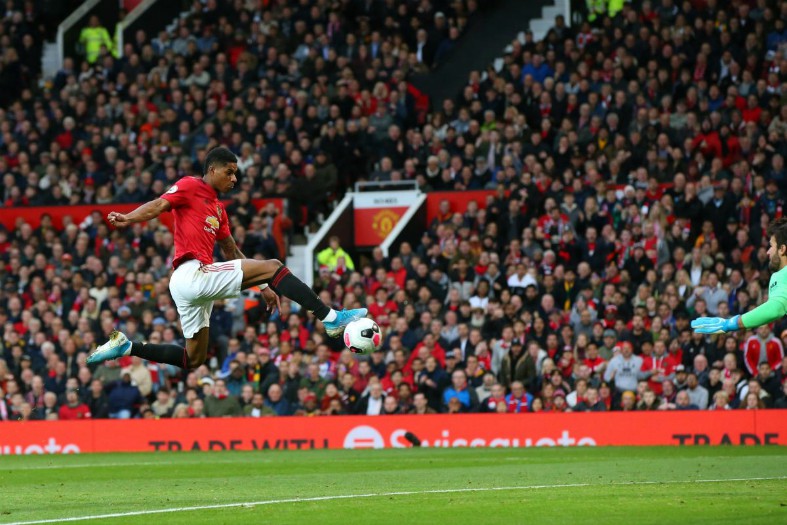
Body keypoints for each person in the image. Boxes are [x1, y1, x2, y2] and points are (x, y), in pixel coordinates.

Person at [86, 147, 366, 370]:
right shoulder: (189, 185)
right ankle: (330, 318)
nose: (234, 179)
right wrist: (128, 217)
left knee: (192, 360)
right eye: (229, 172)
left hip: (195, 288)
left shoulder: (219, 210)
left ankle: (127, 347)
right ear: (212, 170)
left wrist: (264, 286)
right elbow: (159, 205)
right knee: (274, 266)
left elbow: (231, 252)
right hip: (191, 273)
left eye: (236, 174)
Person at [692, 218, 787, 344]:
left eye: (771, 246)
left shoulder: (782, 274)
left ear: (782, 249)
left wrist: (731, 323)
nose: (768, 252)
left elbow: (776, 308)